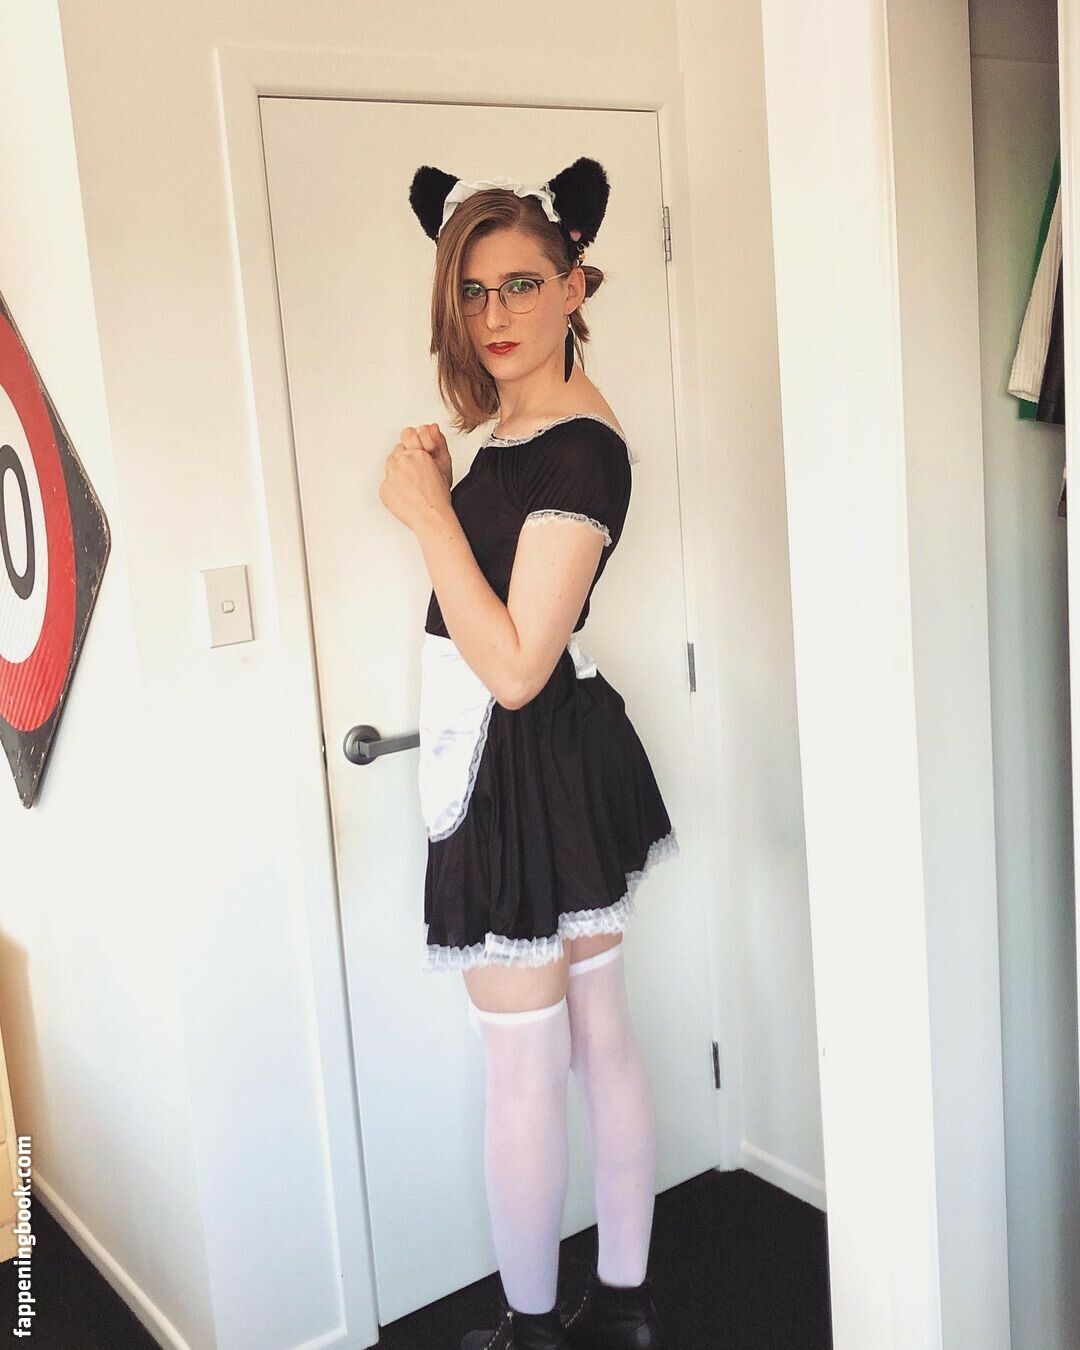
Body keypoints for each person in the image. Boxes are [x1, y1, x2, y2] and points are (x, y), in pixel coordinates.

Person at [379, 158, 679, 1350]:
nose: (494, 313)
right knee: (595, 1038)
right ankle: (624, 1305)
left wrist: (427, 514)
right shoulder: (520, 430)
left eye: (520, 284)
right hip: (550, 756)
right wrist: (449, 491)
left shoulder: (578, 449)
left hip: (521, 764)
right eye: (472, 291)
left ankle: (535, 1329)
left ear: (574, 286)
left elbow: (512, 665)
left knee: (526, 1065)